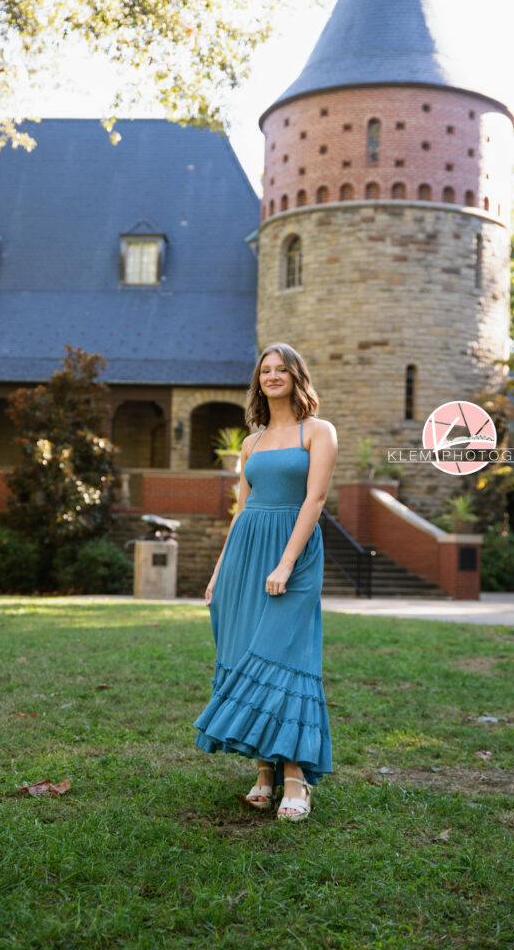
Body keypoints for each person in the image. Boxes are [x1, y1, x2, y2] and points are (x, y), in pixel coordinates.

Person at [193, 342, 338, 821]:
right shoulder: (251, 443)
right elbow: (240, 511)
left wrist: (285, 563)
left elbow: (314, 501)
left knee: (286, 657)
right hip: (245, 555)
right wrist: (218, 572)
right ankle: (263, 773)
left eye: (282, 369)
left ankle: (295, 777)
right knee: (245, 656)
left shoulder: (318, 431)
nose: (273, 376)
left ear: (298, 376)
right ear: (258, 381)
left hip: (291, 552)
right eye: (266, 370)